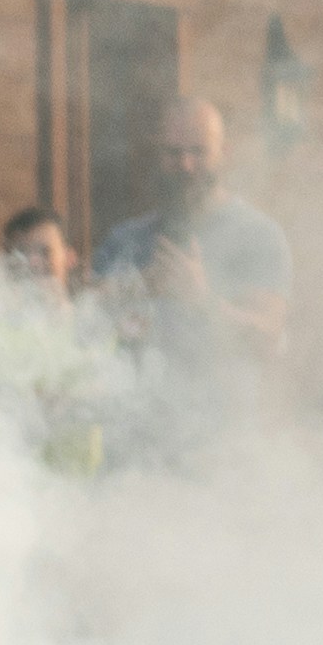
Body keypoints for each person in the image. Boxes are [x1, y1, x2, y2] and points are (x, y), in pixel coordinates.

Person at [90, 97, 295, 455]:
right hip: (132, 444)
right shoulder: (126, 238)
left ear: (223, 153)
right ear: (158, 155)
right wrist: (138, 286)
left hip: (221, 448)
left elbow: (267, 338)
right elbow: (81, 319)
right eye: (173, 153)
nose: (185, 165)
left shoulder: (258, 236)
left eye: (198, 152)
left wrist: (201, 300)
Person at [0, 206, 112, 473]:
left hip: (86, 485)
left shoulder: (93, 327)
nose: (33, 263)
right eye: (21, 253)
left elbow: (108, 401)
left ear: (69, 257)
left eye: (44, 252)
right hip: (13, 484)